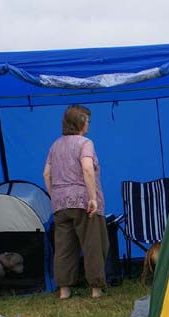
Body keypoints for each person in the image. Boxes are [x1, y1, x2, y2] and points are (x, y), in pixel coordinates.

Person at [43, 105, 109, 300]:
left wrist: (55, 194)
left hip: (60, 204)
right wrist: (92, 198)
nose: (89, 124)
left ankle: (64, 290)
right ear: (80, 122)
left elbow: (46, 173)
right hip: (83, 202)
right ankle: (96, 289)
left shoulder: (55, 145)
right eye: (87, 120)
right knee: (94, 244)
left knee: (64, 248)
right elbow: (87, 168)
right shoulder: (85, 143)